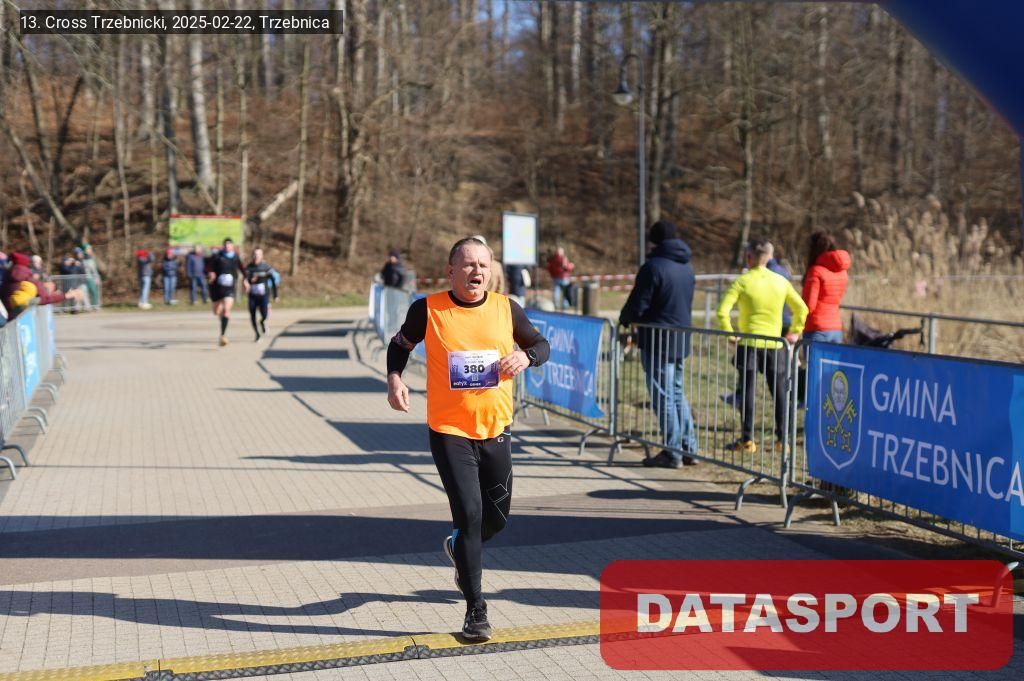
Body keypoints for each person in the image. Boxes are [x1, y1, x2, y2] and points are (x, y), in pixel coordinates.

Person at [386, 236, 550, 642]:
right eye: (469, 264)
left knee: (496, 519)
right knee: (470, 515)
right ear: (451, 271)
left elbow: (541, 344)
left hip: (497, 428)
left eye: (484, 265)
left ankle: (459, 548)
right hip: (450, 431)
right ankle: (476, 608)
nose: (477, 271)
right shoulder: (428, 309)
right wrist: (394, 379)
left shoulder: (506, 308)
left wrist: (526, 357)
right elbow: (399, 344)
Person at [619, 220, 699, 468]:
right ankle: (689, 447)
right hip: (680, 338)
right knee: (676, 393)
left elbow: (638, 304)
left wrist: (625, 318)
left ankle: (672, 452)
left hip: (657, 340)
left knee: (663, 396)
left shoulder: (653, 267)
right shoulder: (687, 267)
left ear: (654, 241)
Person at [716, 239, 808, 454]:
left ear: (749, 257)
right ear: (769, 257)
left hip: (748, 343)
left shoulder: (742, 281)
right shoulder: (780, 281)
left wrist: (730, 334)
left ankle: (747, 440)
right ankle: (782, 441)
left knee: (747, 392)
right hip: (775, 344)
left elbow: (722, 311)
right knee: (779, 393)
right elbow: (802, 309)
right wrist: (794, 333)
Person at [802, 231, 851, 344]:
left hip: (816, 327)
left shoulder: (815, 271)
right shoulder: (842, 271)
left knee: (812, 356)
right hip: (835, 327)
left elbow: (809, 305)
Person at [206, 238, 243, 346]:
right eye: (226, 245)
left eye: (229, 245)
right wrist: (211, 272)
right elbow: (208, 267)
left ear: (232, 246)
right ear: (223, 246)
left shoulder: (235, 257)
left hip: (229, 288)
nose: (227, 247)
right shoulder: (217, 256)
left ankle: (223, 335)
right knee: (217, 311)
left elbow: (242, 269)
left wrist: (246, 281)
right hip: (217, 287)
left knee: (226, 310)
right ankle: (222, 322)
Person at [244, 247, 278, 342]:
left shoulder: (266, 267)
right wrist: (247, 283)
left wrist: (275, 295)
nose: (256, 256)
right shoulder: (249, 268)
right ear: (252, 255)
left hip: (263, 295)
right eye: (255, 254)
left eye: (258, 254)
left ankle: (262, 321)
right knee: (252, 314)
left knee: (265, 314)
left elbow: (273, 280)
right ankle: (257, 334)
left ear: (262, 256)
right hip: (252, 295)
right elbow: (245, 279)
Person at [81, 244, 101, 308]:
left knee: (94, 292)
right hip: (88, 277)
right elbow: (86, 268)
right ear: (85, 250)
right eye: (89, 249)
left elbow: (94, 269)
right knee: (90, 292)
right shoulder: (84, 259)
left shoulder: (91, 258)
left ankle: (95, 305)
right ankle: (92, 306)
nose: (90, 250)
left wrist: (97, 277)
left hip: (93, 277)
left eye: (90, 249)